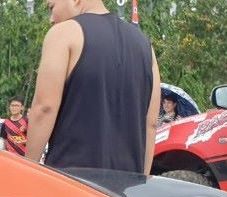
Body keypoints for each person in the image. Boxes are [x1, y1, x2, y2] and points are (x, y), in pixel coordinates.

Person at [25, 0, 161, 174]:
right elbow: (150, 124)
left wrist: (28, 170)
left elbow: (44, 108)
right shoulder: (145, 45)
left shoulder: (63, 34)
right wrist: (141, 180)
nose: (51, 19)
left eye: (52, 7)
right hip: (125, 188)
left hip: (73, 183)